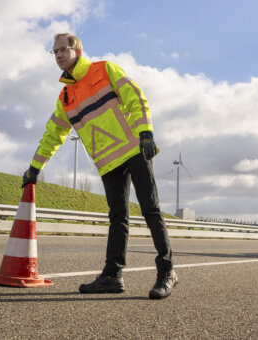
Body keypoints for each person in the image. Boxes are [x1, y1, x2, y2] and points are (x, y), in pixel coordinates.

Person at [21, 33, 177, 299]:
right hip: (107, 162)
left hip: (133, 150)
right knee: (118, 218)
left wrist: (146, 133)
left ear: (77, 50)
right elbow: (53, 135)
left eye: (63, 49)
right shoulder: (65, 97)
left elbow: (135, 96)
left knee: (151, 210)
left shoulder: (104, 69)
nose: (58, 55)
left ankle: (167, 272)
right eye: (54, 51)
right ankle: (112, 276)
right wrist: (35, 167)